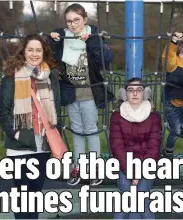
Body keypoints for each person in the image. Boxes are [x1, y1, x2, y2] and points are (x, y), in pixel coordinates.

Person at [0, 34, 61, 219]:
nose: (34, 54)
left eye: (38, 50)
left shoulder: (51, 76)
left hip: (43, 145)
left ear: (43, 52)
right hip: (20, 147)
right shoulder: (11, 76)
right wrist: (16, 134)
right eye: (30, 50)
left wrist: (56, 140)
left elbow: (56, 109)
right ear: (23, 52)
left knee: (35, 194)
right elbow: (1, 109)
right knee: (23, 195)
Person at [48, 3, 115, 186]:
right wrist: (52, 40)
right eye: (68, 21)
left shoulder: (92, 36)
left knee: (91, 130)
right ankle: (78, 166)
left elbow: (106, 60)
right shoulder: (63, 37)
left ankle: (93, 168)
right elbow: (51, 58)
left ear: (84, 19)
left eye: (76, 20)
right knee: (77, 132)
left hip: (89, 91)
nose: (72, 24)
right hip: (70, 91)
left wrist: (92, 40)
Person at [110, 78, 162, 219]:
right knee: (126, 194)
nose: (134, 93)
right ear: (125, 94)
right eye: (130, 90)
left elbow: (154, 146)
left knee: (142, 195)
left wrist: (140, 171)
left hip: (146, 163)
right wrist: (131, 171)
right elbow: (117, 146)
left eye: (138, 90)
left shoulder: (154, 117)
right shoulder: (116, 116)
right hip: (124, 163)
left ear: (144, 93)